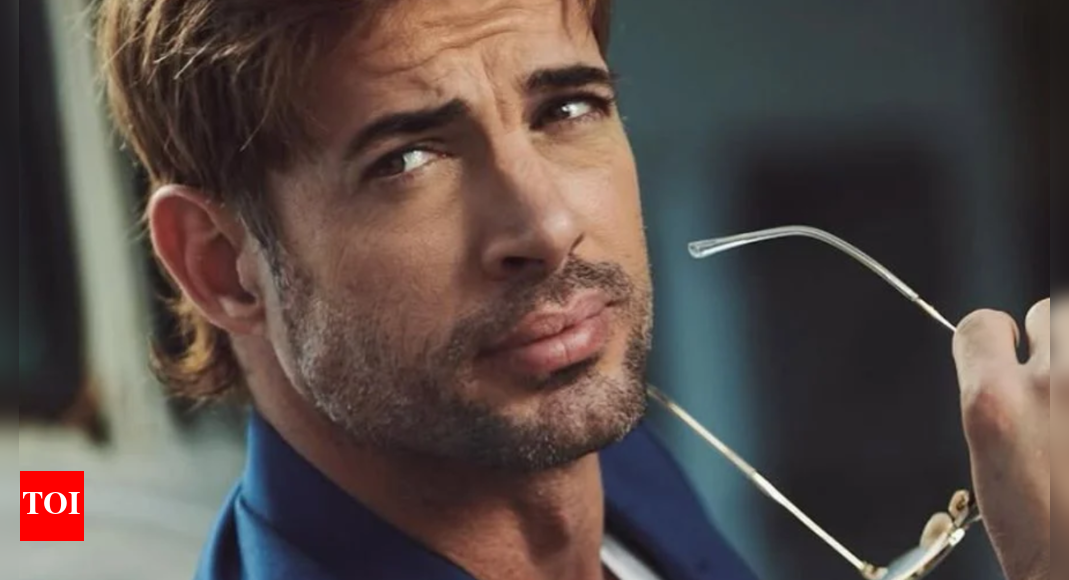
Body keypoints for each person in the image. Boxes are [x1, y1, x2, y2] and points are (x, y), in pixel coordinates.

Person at [95, 1, 1058, 579]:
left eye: (565, 107)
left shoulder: (594, 459)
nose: (548, 227)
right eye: (408, 159)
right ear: (220, 264)